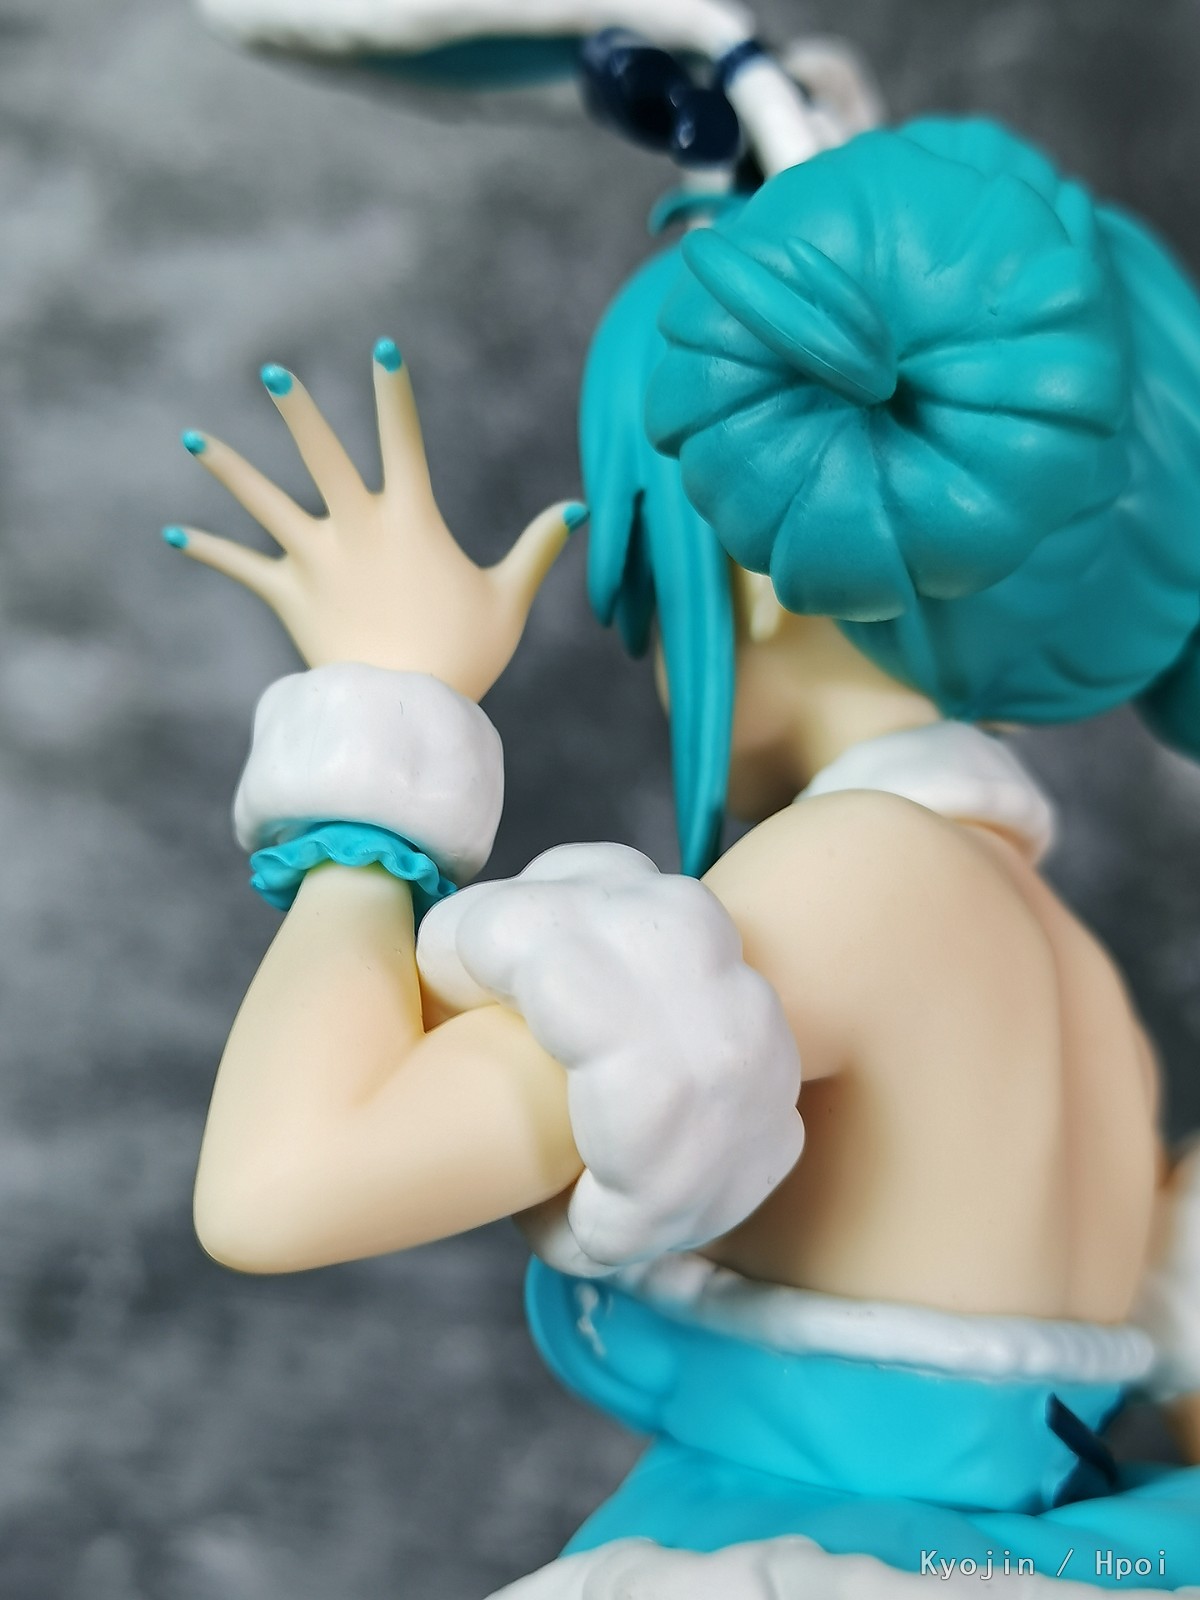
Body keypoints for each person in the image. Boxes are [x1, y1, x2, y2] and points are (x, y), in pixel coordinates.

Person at [163, 49, 1200, 1600]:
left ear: (769, 561)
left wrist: (384, 712)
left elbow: (281, 1186)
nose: (644, 636)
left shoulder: (864, 883)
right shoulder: (1084, 994)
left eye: (648, 567)